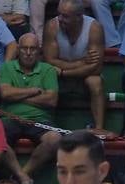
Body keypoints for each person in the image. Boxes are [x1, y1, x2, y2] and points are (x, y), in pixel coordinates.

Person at [0, 32, 60, 184]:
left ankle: (23, 173)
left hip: (39, 119)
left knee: (55, 139)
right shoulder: (7, 67)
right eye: (24, 48)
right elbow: (5, 93)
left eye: (32, 48)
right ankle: (21, 175)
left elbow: (51, 100)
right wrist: (34, 91)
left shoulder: (48, 70)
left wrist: (17, 95)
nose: (28, 52)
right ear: (18, 49)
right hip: (10, 118)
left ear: (39, 51)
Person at [41, 0, 106, 131]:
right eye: (59, 14)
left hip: (82, 78)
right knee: (47, 75)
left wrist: (64, 72)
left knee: (96, 81)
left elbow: (96, 68)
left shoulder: (94, 28)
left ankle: (99, 128)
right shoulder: (52, 26)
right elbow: (49, 62)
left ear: (78, 16)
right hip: (58, 77)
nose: (60, 19)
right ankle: (45, 125)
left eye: (65, 16)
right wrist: (82, 62)